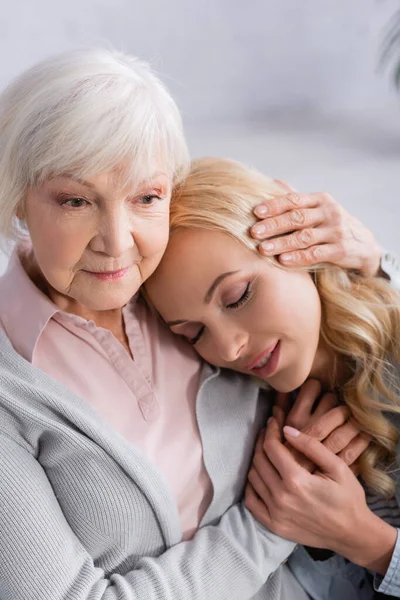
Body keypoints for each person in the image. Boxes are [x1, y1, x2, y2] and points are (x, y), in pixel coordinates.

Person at [0, 48, 396, 600]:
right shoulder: (14, 388)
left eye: (146, 196)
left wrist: (373, 263)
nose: (117, 243)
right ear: (17, 195)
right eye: (74, 200)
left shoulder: (177, 277)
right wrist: (273, 523)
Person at [145, 156, 400, 599]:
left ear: (297, 244)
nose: (228, 349)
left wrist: (366, 540)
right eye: (195, 332)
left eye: (238, 296)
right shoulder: (264, 419)